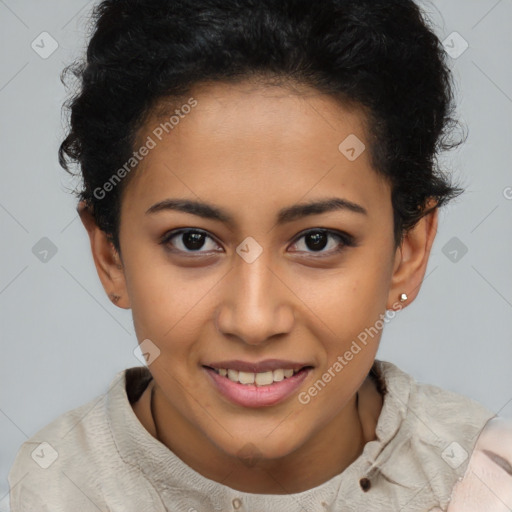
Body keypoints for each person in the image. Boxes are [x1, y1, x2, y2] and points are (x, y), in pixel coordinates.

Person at [8, 0, 512, 510]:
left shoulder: (486, 483)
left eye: (318, 241)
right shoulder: (55, 485)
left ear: (408, 251)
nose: (253, 320)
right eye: (192, 240)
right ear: (110, 255)